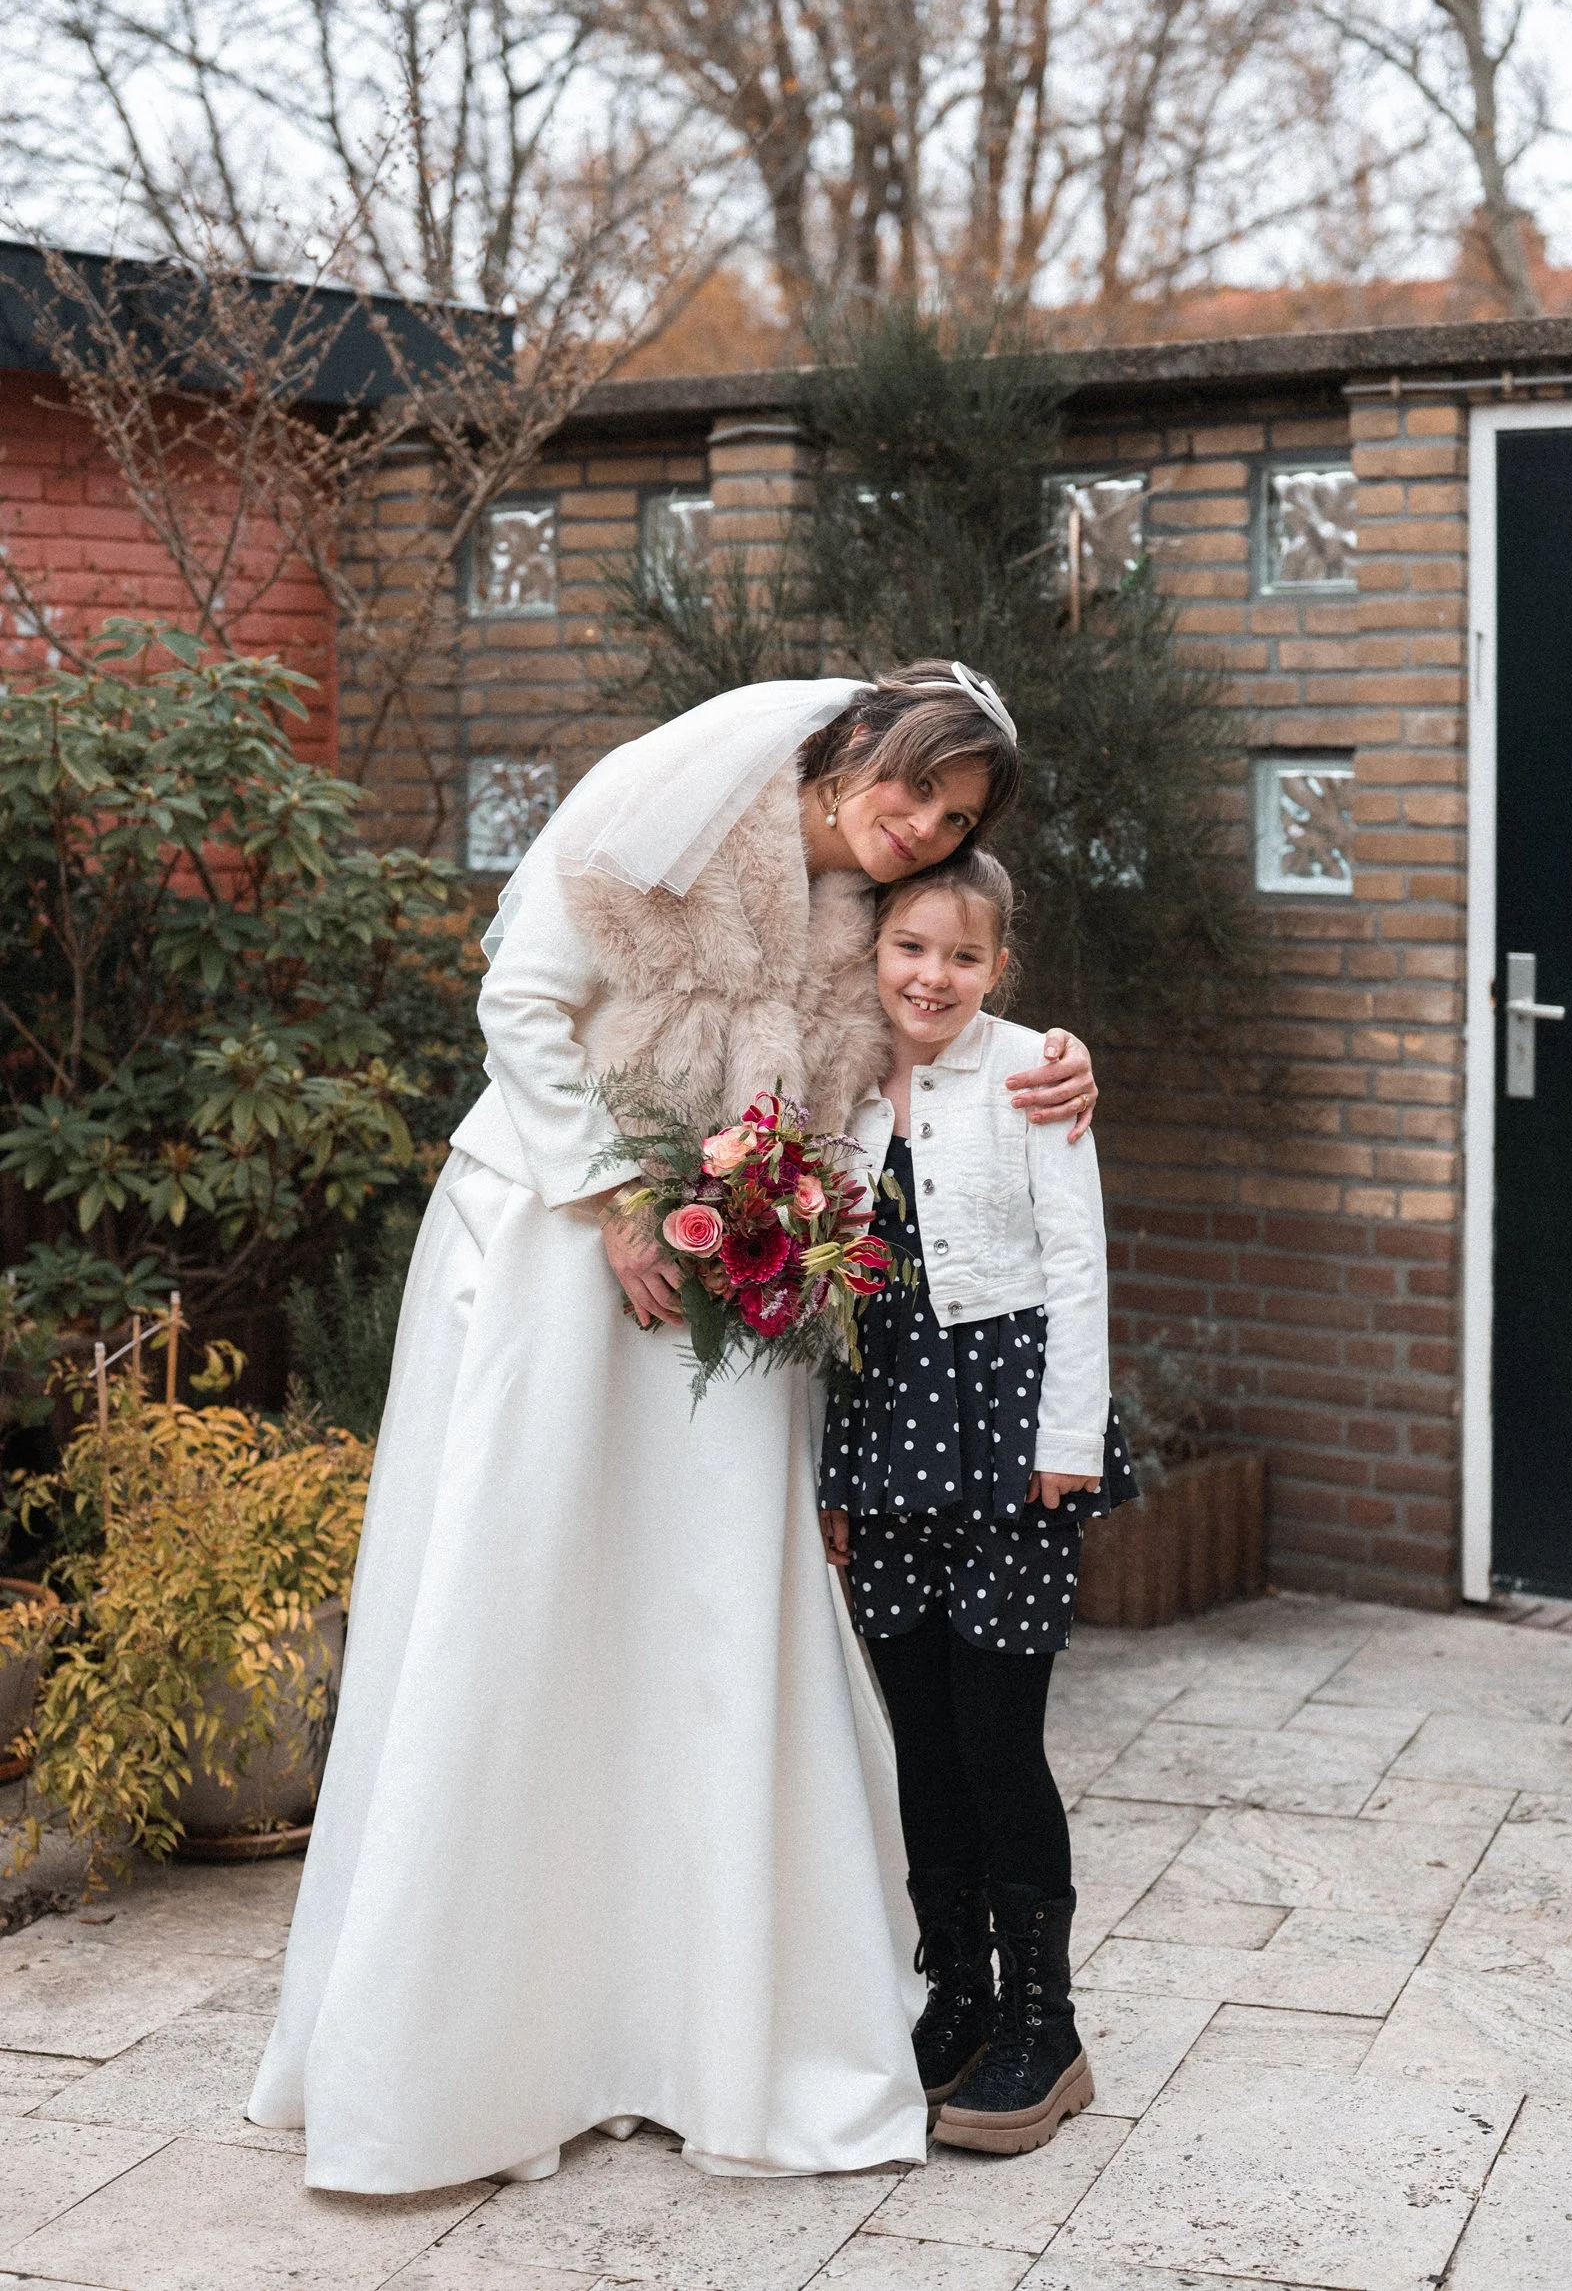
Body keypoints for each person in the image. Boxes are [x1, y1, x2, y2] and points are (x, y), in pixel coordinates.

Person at [247, 665, 1101, 2192]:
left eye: (955, 820)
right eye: (912, 786)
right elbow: (518, 996)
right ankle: (487, 2042)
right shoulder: (670, 823)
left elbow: (939, 1013)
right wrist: (615, 1202)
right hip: (562, 1260)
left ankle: (701, 2023)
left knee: (707, 1620)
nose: (919, 829)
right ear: (849, 748)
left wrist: (1055, 1057)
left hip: (740, 1305)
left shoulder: (875, 927)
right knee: (528, 1601)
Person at [820, 848, 1136, 2158]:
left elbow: (1076, 1260)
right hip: (884, 1433)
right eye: (909, 948)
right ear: (872, 953)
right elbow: (824, 1297)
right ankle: (956, 1994)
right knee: (921, 1741)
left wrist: (1066, 1439)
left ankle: (1043, 2027)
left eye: (961, 955)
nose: (931, 975)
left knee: (998, 1738)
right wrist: (827, 1477)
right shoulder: (836, 1085)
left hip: (1007, 1435)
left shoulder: (1031, 1071)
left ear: (997, 967)